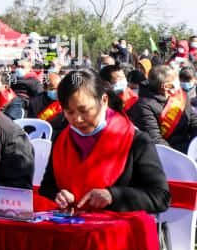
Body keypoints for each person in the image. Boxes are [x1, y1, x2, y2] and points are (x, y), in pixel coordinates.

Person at [38, 69, 171, 213]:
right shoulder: (61, 141)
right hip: (72, 223)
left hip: (119, 224)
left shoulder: (135, 140)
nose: (78, 119)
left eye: (84, 110)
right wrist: (59, 195)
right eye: (69, 112)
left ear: (104, 101)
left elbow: (160, 197)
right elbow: (47, 188)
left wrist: (113, 196)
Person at [136, 64, 197, 152]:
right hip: (168, 152)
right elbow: (155, 139)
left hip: (189, 145)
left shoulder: (180, 95)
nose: (179, 86)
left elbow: (194, 120)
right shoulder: (144, 105)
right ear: (166, 86)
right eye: (176, 83)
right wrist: (185, 153)